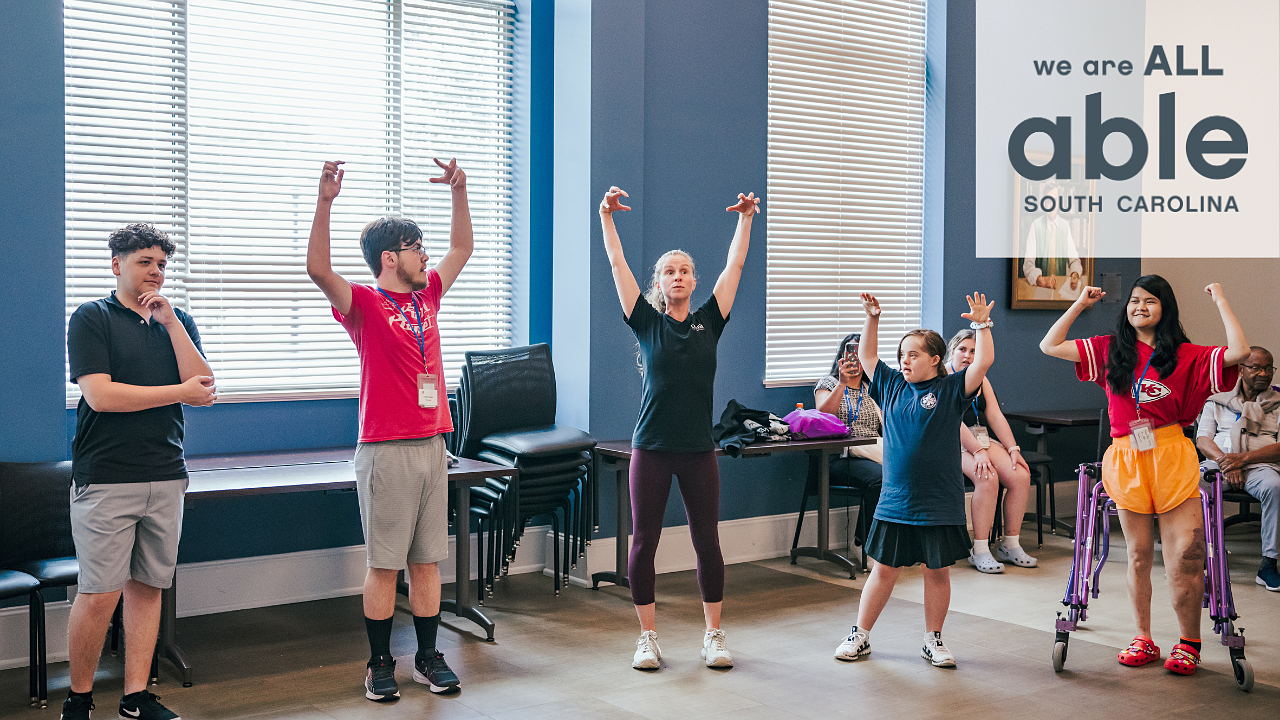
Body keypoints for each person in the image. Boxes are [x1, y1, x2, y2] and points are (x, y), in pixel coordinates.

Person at [307, 158, 472, 701]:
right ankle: (380, 664)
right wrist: (326, 201)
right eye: (415, 246)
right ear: (389, 257)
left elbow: (462, 248)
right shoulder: (365, 304)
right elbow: (317, 270)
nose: (426, 255)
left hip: (432, 446)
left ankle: (426, 656)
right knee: (384, 565)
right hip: (385, 451)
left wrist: (460, 191)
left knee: (427, 561)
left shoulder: (427, 297)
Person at [1039, 276, 1247, 676]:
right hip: (1126, 456)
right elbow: (1049, 345)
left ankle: (1189, 642)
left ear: (1165, 308)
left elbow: (1238, 351)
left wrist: (1220, 298)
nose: (1139, 307)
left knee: (1185, 555)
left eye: (1150, 301)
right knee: (1136, 557)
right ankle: (1142, 636)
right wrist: (1080, 304)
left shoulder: (1186, 355)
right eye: (1134, 301)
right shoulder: (1109, 349)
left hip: (1171, 453)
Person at [599, 185, 759, 671]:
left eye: (685, 271)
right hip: (651, 447)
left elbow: (735, 267)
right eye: (670, 271)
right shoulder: (645, 322)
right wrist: (606, 215)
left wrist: (746, 219)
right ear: (660, 281)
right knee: (643, 541)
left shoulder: (710, 319)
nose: (679, 277)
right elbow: (616, 265)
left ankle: (714, 634)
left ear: (694, 280)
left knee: (706, 540)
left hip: (697, 449)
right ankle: (647, 637)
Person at [62, 223, 216, 720]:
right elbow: (101, 397)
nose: (155, 272)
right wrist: (178, 393)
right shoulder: (92, 317)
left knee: (149, 587)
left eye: (162, 265)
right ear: (117, 266)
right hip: (107, 476)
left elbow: (204, 383)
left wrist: (172, 324)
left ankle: (135, 697)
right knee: (99, 592)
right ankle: (78, 702)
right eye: (144, 262)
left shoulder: (178, 320)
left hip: (166, 473)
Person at [833, 291, 995, 669]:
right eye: (902, 354)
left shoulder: (952, 389)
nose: (904, 361)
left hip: (938, 500)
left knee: (936, 571)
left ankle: (933, 639)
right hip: (896, 500)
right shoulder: (891, 386)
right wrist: (872, 318)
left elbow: (983, 360)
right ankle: (860, 634)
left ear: (935, 359)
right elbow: (869, 357)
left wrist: (982, 323)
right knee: (884, 569)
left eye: (914, 354)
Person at [945, 329, 1038, 572]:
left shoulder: (980, 378)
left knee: (1020, 475)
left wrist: (1013, 448)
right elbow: (952, 421)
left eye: (974, 351)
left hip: (979, 440)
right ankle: (980, 549)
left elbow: (994, 415)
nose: (967, 356)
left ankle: (1010, 544)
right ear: (951, 351)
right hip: (948, 442)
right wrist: (977, 451)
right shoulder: (942, 377)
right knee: (987, 477)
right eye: (962, 350)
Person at [1195, 346, 1280, 592]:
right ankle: (1199, 559)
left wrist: (1242, 460)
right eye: (1256, 367)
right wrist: (1226, 462)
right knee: (1194, 486)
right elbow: (1203, 440)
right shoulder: (1218, 401)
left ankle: (1268, 564)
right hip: (1219, 464)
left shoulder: (1278, 402)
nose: (1263, 373)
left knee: (1275, 487)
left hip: (1262, 465)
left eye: (1268, 368)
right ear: (1241, 370)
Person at [813, 332, 884, 532]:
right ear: (842, 357)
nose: (856, 359)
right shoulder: (828, 383)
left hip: (874, 451)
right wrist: (842, 383)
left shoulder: (873, 388)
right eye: (852, 353)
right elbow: (823, 416)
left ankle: (898, 541)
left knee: (906, 473)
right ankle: (864, 541)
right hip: (840, 456)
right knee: (881, 479)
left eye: (862, 354)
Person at [1022, 185, 1083, 293]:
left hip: (1061, 286)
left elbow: (1074, 260)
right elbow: (1028, 263)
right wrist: (1039, 279)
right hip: (1040, 287)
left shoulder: (1065, 226)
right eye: (1048, 200)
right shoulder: (1035, 225)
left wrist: (1075, 274)